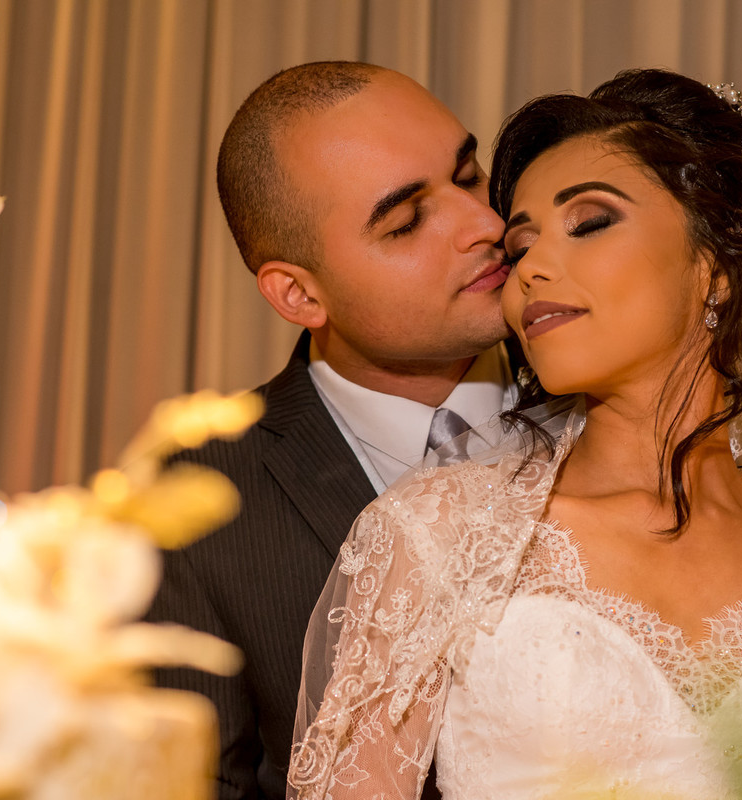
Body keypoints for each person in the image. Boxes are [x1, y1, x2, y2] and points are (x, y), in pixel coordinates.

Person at [287, 68, 742, 799]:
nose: (530, 271)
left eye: (589, 223)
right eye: (519, 248)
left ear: (715, 263)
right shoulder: (438, 537)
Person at [144, 61, 514, 800]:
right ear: (299, 292)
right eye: (407, 221)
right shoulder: (199, 502)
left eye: (469, 176)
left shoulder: (616, 404)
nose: (486, 226)